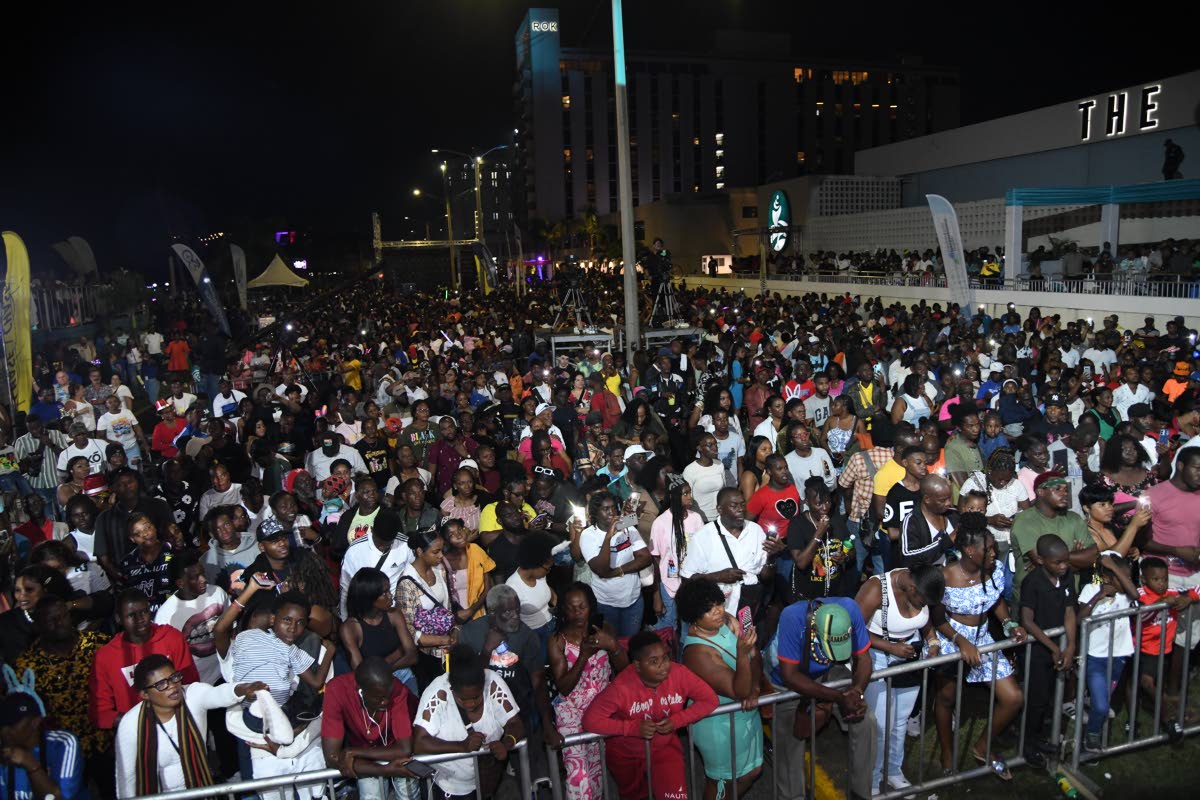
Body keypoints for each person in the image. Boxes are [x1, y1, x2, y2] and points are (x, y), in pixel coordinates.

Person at [926, 515, 1026, 777]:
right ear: (970, 551)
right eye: (989, 549)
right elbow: (936, 619)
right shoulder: (944, 577)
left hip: (983, 638)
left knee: (1013, 698)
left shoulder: (993, 570)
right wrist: (961, 642)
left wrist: (1007, 624)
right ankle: (947, 752)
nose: (995, 553)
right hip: (952, 639)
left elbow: (996, 601)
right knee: (946, 698)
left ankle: (983, 746)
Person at [582, 630, 718, 800]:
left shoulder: (679, 673)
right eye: (654, 661)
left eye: (665, 657)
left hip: (664, 748)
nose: (663, 665)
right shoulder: (621, 687)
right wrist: (632, 728)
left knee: (675, 797)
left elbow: (710, 700)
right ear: (637, 666)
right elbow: (590, 720)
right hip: (625, 755)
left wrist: (677, 721)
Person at [114, 653, 268, 797]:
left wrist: (243, 689)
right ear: (144, 695)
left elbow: (219, 694)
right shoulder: (131, 724)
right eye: (161, 684)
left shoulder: (192, 695)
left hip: (199, 793)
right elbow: (127, 778)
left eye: (174, 677)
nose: (173, 686)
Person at [768, 597, 874, 800]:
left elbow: (864, 658)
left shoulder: (850, 609)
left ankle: (861, 793)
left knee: (866, 719)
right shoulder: (793, 617)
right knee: (790, 737)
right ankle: (792, 796)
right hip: (784, 681)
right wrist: (839, 698)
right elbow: (790, 676)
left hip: (828, 675)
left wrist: (856, 691)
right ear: (816, 632)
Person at [854, 563, 945, 795]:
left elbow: (926, 623)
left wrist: (932, 641)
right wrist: (890, 647)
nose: (924, 606)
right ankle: (872, 780)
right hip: (878, 659)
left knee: (900, 722)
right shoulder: (877, 589)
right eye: (923, 601)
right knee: (881, 724)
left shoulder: (923, 586)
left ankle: (893, 771)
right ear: (912, 588)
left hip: (909, 659)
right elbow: (854, 628)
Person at [678, 579, 764, 800]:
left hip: (744, 716)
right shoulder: (696, 653)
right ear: (692, 616)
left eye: (718, 603)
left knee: (752, 771)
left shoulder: (726, 621)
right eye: (707, 609)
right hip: (718, 726)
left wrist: (755, 686)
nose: (717, 611)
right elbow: (739, 690)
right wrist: (743, 653)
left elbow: (756, 656)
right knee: (721, 782)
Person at [547, 583, 627, 800]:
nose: (577, 613)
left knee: (597, 774)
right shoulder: (558, 640)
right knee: (579, 778)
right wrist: (583, 656)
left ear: (591, 606)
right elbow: (563, 687)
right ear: (564, 610)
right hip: (572, 714)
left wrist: (612, 645)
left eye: (582, 607)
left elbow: (625, 669)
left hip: (602, 710)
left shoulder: (604, 629)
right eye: (571, 608)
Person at [413, 644, 525, 800]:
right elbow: (419, 743)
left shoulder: (493, 683)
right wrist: (461, 746)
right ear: (452, 688)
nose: (470, 704)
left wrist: (506, 743)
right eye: (463, 699)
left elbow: (515, 723)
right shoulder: (438, 693)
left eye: (476, 697)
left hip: (488, 784)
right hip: (450, 787)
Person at [90, 590, 199, 734]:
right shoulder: (105, 657)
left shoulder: (172, 638)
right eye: (131, 615)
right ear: (118, 618)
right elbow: (100, 712)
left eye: (144, 612)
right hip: (136, 736)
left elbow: (191, 686)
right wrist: (142, 723)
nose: (140, 619)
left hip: (179, 727)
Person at [320, 657, 426, 800]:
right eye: (379, 697)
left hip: (391, 752)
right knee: (371, 796)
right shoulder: (337, 690)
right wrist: (384, 770)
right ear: (360, 690)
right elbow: (332, 757)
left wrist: (353, 752)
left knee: (408, 793)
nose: (386, 701)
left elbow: (404, 749)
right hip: (365, 758)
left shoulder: (398, 689)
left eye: (388, 695)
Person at [1019, 534, 1078, 768]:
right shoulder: (1032, 582)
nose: (1063, 567)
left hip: (1059, 647)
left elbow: (1070, 610)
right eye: (1058, 563)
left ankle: (1040, 736)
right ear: (1042, 560)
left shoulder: (1066, 576)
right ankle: (1027, 744)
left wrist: (1071, 644)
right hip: (1037, 650)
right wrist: (1054, 647)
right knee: (1036, 699)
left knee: (1051, 696)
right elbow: (1027, 620)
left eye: (1066, 561)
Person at [681, 487, 784, 619]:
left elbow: (766, 578)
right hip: (717, 614)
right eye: (734, 506)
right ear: (720, 509)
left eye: (742, 504)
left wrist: (771, 558)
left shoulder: (755, 531)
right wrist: (718, 577)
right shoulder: (703, 536)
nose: (741, 509)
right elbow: (687, 578)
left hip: (750, 608)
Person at [1076, 554, 1138, 751]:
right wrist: (1099, 596)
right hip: (1095, 657)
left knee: (1102, 701)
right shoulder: (1091, 589)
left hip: (1119, 655)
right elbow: (1079, 619)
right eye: (1121, 578)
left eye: (1127, 578)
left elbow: (1136, 595)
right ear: (1107, 577)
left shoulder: (1125, 594)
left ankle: (1090, 736)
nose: (1126, 582)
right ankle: (1092, 735)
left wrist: (1114, 567)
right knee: (1102, 706)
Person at [1010, 472, 1097, 604]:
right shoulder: (1025, 520)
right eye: (1057, 489)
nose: (1065, 493)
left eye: (1066, 489)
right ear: (1040, 492)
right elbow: (1042, 565)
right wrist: (1077, 557)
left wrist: (1053, 561)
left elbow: (1094, 557)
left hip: (1069, 598)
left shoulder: (1073, 518)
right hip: (1034, 602)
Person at [578, 492, 652, 636]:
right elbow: (601, 569)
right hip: (607, 603)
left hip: (634, 600)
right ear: (595, 513)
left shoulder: (626, 526)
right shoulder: (588, 535)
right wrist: (609, 537)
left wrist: (618, 571)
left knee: (629, 642)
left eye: (613, 508)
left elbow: (645, 557)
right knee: (611, 645)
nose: (611, 512)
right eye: (605, 509)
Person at [154, 549, 229, 684]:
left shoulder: (217, 593)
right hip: (196, 684)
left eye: (202, 574)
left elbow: (231, 630)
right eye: (195, 577)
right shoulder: (165, 615)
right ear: (180, 583)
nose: (203, 580)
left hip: (227, 674)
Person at [396, 527, 458, 691]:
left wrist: (453, 631)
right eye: (435, 552)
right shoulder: (407, 583)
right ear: (419, 551)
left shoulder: (439, 570)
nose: (441, 556)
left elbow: (447, 608)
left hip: (446, 649)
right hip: (426, 658)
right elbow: (411, 632)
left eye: (442, 551)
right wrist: (442, 641)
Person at [0, 690, 87, 800]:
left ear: (35, 722)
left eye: (12, 725)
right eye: (2, 724)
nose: (5, 730)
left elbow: (57, 798)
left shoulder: (61, 743)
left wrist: (30, 763)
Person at [339, 567, 419, 679]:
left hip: (402, 674)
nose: (390, 596)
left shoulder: (394, 614)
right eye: (384, 593)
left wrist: (386, 668)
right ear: (369, 597)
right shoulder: (350, 628)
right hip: (374, 683)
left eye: (389, 590)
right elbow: (361, 672)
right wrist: (397, 654)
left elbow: (412, 655)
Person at [787, 477, 855, 601]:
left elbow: (850, 549)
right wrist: (819, 534)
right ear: (807, 502)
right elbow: (801, 563)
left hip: (835, 594)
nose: (825, 508)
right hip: (807, 596)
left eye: (828, 502)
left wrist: (845, 557)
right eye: (818, 504)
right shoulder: (797, 524)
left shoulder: (836, 520)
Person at [504, 533, 557, 657]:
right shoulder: (513, 587)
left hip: (551, 625)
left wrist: (555, 603)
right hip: (533, 635)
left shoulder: (540, 576)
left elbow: (548, 591)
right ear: (534, 563)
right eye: (547, 568)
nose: (549, 571)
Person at [682, 433, 725, 523]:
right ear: (699, 448)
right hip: (699, 519)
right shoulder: (690, 470)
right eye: (710, 445)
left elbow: (723, 492)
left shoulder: (719, 465)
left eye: (716, 444)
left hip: (719, 517)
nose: (715, 447)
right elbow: (686, 499)